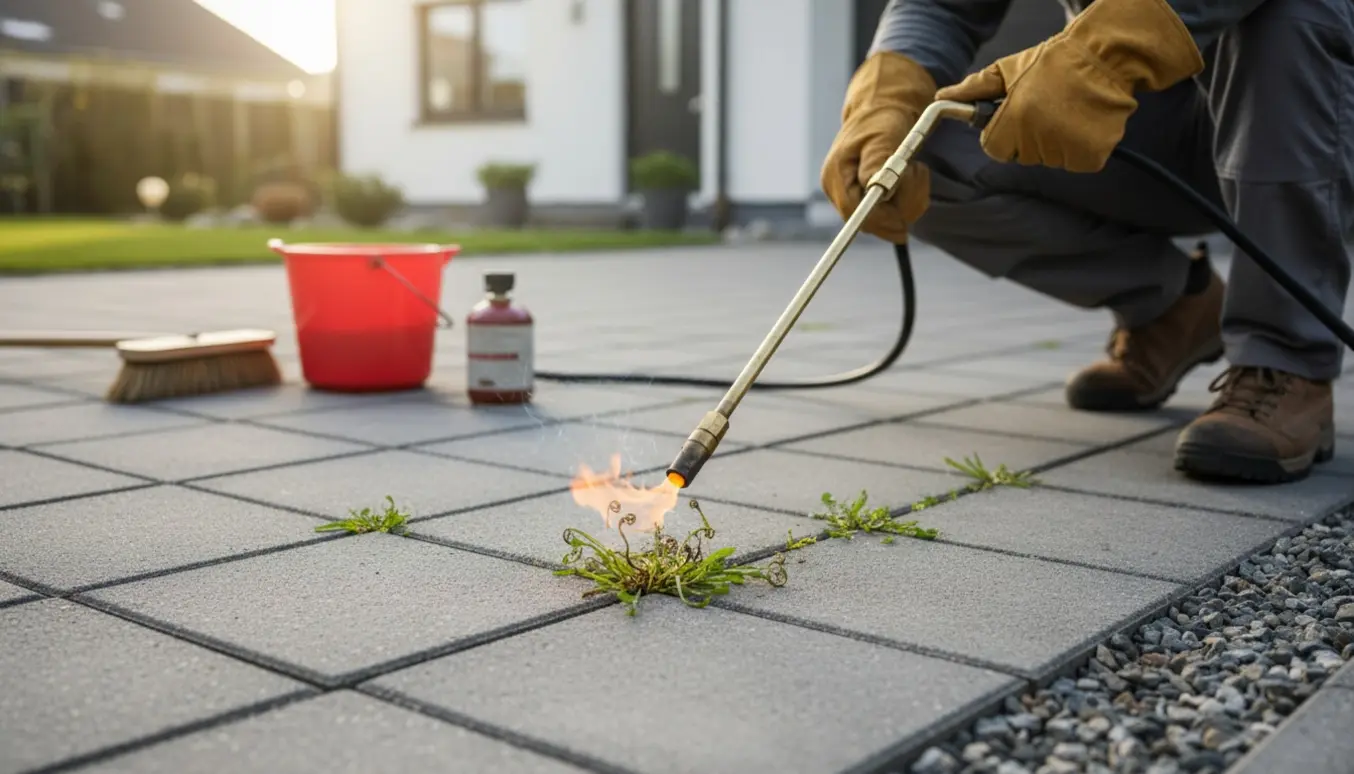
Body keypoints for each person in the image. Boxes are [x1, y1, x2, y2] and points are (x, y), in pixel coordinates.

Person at [822, 0, 1353, 484]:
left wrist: (1104, 52)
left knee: (1292, 17)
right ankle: (1171, 306)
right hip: (1145, 115)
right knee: (910, 154)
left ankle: (1285, 359)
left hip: (1304, 108)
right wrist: (886, 94)